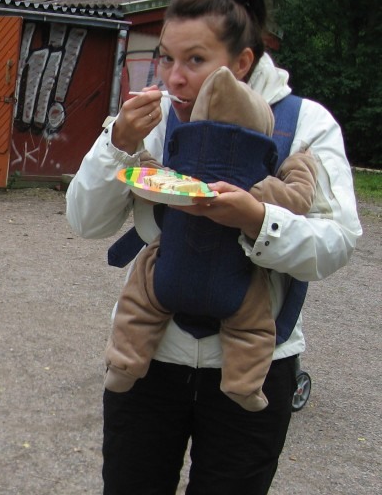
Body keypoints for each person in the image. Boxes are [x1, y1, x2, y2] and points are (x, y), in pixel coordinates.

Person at [64, 0, 362, 495]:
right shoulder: (152, 120)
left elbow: (336, 243)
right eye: (165, 57)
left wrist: (258, 221)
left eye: (194, 60)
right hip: (151, 361)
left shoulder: (304, 124)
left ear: (243, 58)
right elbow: (85, 221)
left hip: (254, 369)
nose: (173, 76)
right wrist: (115, 146)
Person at [106, 66, 317, 412]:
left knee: (140, 302)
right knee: (252, 327)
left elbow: (147, 180)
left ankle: (124, 363)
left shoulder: (181, 176)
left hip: (170, 272)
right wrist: (301, 165)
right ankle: (244, 385)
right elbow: (298, 197)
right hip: (235, 281)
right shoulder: (259, 188)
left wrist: (137, 155)